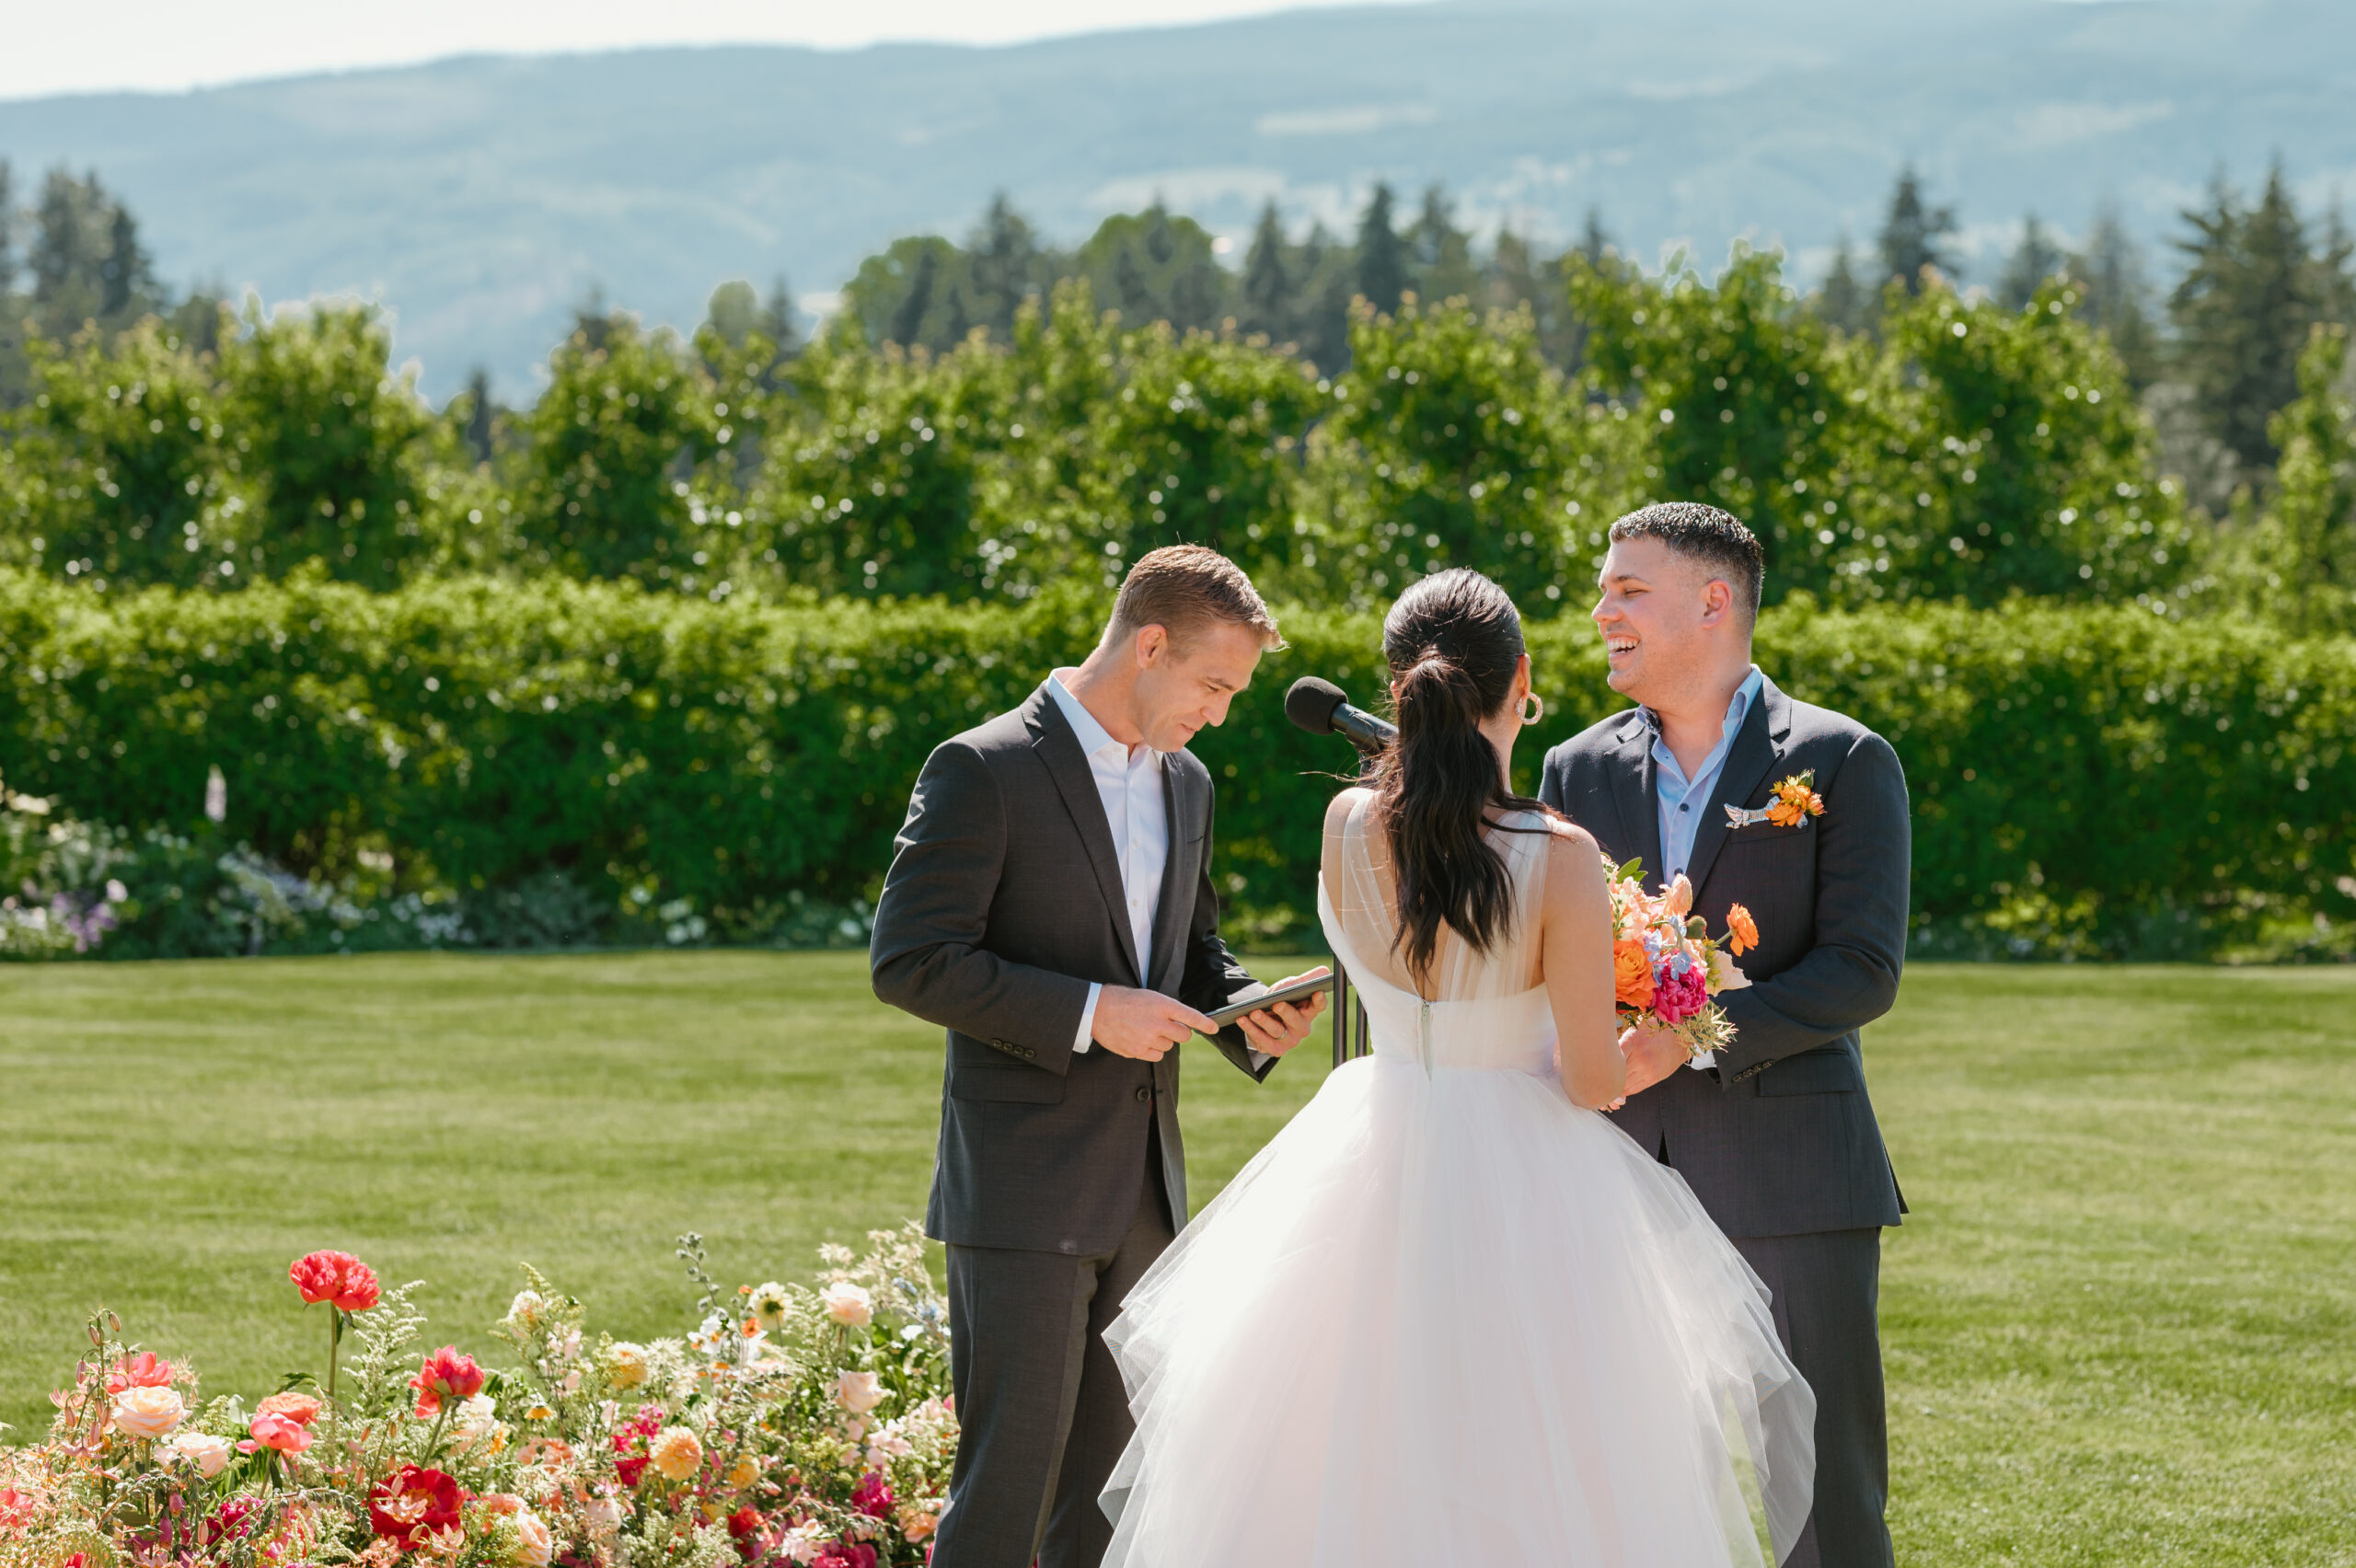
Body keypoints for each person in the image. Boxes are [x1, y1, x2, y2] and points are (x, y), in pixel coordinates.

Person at [1096, 568, 1815, 1566]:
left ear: (1400, 688)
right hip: (1527, 1180)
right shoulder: (1555, 851)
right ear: (1519, 682)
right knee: (1535, 1462)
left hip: (1368, 1151)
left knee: (1350, 1450)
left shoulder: (1345, 823)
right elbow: (1590, 1082)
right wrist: (1668, 1001)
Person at [869, 544, 1329, 1568]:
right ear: (1150, 645)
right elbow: (910, 962)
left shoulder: (1189, 783)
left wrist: (1247, 1007)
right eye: (1212, 685)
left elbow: (1187, 946)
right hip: (1024, 1193)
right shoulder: (981, 768)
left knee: (1115, 1508)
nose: (1217, 712)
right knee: (1004, 1499)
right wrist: (1088, 1013)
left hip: (1144, 1195)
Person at [1539, 502, 1911, 1568]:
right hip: (1612, 1175)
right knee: (1628, 1472)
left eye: (1626, 591)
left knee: (1821, 1489)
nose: (1601, 610)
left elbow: (1861, 970)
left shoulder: (1841, 759)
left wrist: (1691, 1036)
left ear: (1713, 602)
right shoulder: (1574, 770)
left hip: (1793, 1171)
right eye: (1603, 590)